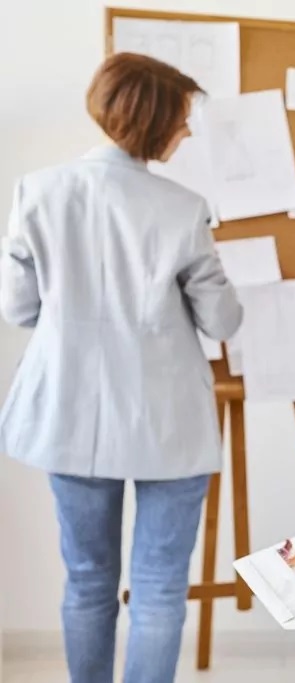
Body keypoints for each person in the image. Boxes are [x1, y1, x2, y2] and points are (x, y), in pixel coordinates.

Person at [0, 53, 242, 682]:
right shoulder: (184, 208)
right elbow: (223, 322)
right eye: (183, 119)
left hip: (69, 415)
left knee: (86, 581)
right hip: (169, 426)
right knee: (159, 590)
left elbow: (18, 308)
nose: (187, 132)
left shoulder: (37, 192)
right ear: (155, 119)